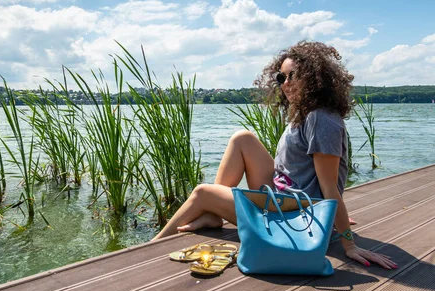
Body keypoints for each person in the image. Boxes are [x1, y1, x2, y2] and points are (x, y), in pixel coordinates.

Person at [152, 41, 397, 270]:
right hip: (282, 197)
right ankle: (214, 214)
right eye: (282, 77)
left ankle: (151, 247)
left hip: (294, 214)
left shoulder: (320, 119)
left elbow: (330, 187)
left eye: (294, 76)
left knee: (202, 193)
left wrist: (348, 242)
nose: (286, 83)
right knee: (243, 138)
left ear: (314, 78)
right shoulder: (306, 113)